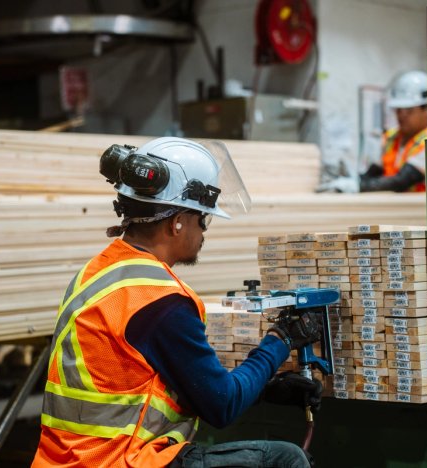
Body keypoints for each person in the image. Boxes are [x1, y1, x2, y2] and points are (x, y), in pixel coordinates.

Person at [32, 137, 324, 468]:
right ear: (177, 221)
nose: (204, 232)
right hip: (117, 460)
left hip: (67, 459)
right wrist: (280, 340)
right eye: (203, 218)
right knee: (284, 460)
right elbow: (221, 406)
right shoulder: (159, 301)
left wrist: (266, 390)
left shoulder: (99, 271)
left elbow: (165, 382)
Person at [317, 70, 427, 193]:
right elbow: (374, 173)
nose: (401, 115)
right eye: (398, 110)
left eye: (408, 110)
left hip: (420, 209)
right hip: (395, 208)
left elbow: (402, 180)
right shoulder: (392, 137)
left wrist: (359, 186)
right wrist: (353, 180)